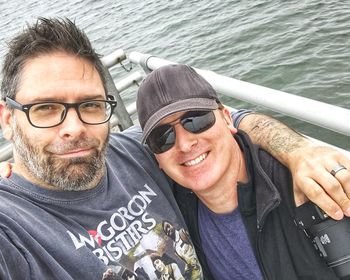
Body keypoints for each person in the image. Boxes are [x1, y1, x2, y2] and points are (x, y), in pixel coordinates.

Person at [0, 17, 349, 280]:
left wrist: (298, 149)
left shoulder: (133, 153)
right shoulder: (14, 228)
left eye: (90, 105)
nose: (74, 128)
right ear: (7, 118)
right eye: (44, 108)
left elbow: (232, 119)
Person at [136, 64, 350, 280]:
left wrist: (297, 149)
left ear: (227, 118)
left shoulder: (305, 185)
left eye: (196, 120)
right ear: (156, 158)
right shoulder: (175, 208)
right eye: (163, 138)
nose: (184, 144)